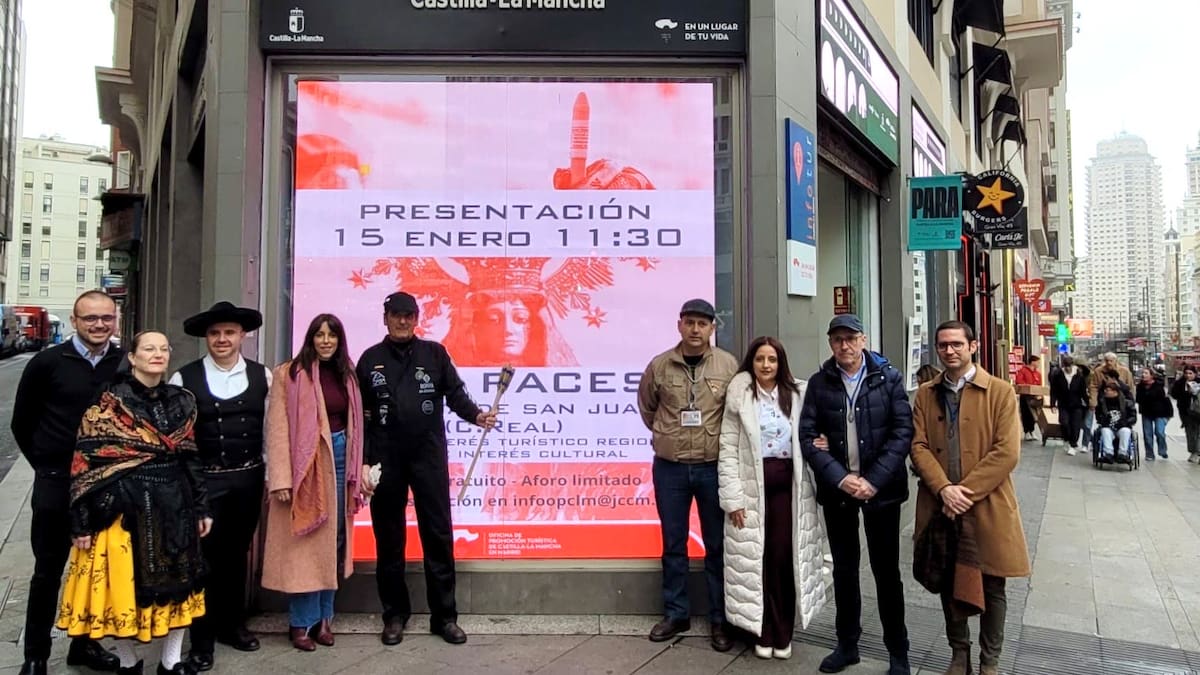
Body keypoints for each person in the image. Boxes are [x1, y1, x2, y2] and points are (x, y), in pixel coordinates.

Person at [57, 331, 209, 675]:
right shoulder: (109, 403)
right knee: (118, 590)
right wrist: (81, 521)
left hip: (175, 506)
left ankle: (171, 662)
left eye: (163, 349)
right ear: (133, 357)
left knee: (182, 586)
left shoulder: (182, 401)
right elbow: (84, 463)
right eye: (149, 348)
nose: (157, 354)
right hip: (121, 509)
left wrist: (201, 506)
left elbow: (190, 457)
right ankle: (128, 661)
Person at [356, 291, 497, 646]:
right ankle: (394, 615)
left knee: (437, 534)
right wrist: (363, 460)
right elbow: (360, 416)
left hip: (427, 456)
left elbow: (456, 394)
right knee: (389, 539)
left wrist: (477, 416)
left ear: (417, 319)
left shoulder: (434, 353)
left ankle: (444, 617)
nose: (402, 321)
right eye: (396, 315)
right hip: (385, 459)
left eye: (409, 315)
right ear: (385, 318)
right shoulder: (370, 359)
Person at [11, 290, 125, 675]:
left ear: (115, 320)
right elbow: (22, 423)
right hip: (56, 483)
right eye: (90, 318)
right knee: (48, 570)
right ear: (75, 321)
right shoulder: (46, 363)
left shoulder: (122, 363)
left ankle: (84, 644)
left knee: (95, 569)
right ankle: (36, 655)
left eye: (106, 318)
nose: (99, 325)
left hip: (104, 485)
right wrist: (46, 466)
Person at [910, 321, 1030, 675]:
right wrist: (944, 489)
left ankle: (989, 661)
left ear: (973, 347)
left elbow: (1007, 452)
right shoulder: (926, 393)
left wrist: (964, 492)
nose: (949, 351)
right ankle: (958, 653)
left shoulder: (1000, 391)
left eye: (957, 344)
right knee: (947, 579)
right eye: (943, 345)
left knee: (992, 583)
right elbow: (918, 446)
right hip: (941, 505)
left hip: (987, 504)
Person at [798, 314, 914, 675]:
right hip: (839, 492)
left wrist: (872, 481)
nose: (844, 346)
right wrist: (841, 478)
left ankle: (898, 652)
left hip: (882, 491)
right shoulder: (820, 383)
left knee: (886, 572)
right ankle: (847, 645)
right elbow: (808, 437)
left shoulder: (888, 378)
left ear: (863, 340)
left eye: (850, 338)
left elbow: (902, 432)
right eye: (837, 340)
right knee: (845, 571)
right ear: (830, 343)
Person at [169, 302, 272, 671]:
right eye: (215, 333)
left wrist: (270, 477)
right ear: (206, 338)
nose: (222, 339)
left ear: (242, 335)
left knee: (237, 555)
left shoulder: (263, 376)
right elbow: (177, 441)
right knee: (204, 560)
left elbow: (270, 432)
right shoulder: (183, 379)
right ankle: (202, 639)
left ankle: (233, 625)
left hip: (248, 479)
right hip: (204, 483)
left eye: (229, 332)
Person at [637, 298, 738, 651]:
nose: (696, 329)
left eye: (702, 323)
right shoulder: (660, 365)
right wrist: (669, 435)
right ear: (679, 324)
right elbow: (648, 408)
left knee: (717, 545)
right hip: (671, 469)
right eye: (690, 322)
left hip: (712, 467)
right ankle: (676, 613)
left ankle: (720, 619)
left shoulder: (728, 366)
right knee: (673, 543)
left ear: (713, 328)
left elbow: (735, 412)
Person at [718, 336, 826, 660]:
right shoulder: (740, 396)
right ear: (751, 362)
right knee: (757, 560)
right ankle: (762, 631)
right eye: (760, 359)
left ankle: (783, 631)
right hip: (751, 489)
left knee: (783, 558)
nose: (766, 365)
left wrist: (822, 441)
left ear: (781, 363)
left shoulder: (798, 394)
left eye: (772, 359)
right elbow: (727, 449)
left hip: (790, 490)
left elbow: (814, 434)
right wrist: (733, 499)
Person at [262, 314, 365, 651]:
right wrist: (280, 478)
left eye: (331, 335)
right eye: (319, 335)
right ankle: (301, 622)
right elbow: (277, 429)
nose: (325, 341)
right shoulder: (290, 374)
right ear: (310, 338)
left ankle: (324, 619)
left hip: (341, 455)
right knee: (307, 544)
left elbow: (356, 423)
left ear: (339, 340)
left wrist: (360, 467)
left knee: (334, 541)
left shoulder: (348, 374)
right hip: (305, 465)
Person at [1049, 355, 1089, 455]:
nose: (1067, 368)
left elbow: (1083, 392)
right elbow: (1054, 391)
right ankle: (1066, 438)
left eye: (1069, 366)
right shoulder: (1058, 375)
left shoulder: (1079, 375)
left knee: (1075, 425)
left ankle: (1073, 445)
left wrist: (1088, 403)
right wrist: (1053, 404)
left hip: (1076, 404)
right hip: (1063, 404)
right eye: (1065, 366)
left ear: (1072, 365)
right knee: (1064, 422)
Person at [1134, 368, 1173, 461]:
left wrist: (1169, 414)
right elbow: (1138, 399)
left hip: (1160, 412)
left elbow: (1165, 400)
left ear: (1151, 375)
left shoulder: (1159, 386)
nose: (1143, 375)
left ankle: (1162, 450)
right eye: (1143, 373)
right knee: (1147, 434)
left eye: (1146, 373)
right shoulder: (1140, 386)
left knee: (1159, 432)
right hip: (1146, 412)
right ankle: (1150, 453)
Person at [1095, 380, 1138, 461]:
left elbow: (1133, 417)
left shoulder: (1127, 403)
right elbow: (1098, 416)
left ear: (1115, 392)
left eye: (1108, 390)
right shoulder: (1102, 403)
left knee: (1126, 431)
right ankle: (1108, 454)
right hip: (1108, 427)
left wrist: (1125, 422)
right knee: (1105, 431)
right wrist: (1103, 420)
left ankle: (1122, 454)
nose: (1105, 392)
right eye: (1105, 390)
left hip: (1122, 426)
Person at [1170, 365, 1200, 463]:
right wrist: (1185, 392)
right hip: (1186, 412)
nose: (1188, 375)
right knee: (1190, 433)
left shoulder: (1198, 382)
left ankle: (1198, 452)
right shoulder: (1180, 383)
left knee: (1198, 432)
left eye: (1190, 373)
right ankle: (1193, 451)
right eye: (1186, 373)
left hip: (1198, 411)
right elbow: (1174, 394)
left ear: (1195, 374)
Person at [1014, 354, 1042, 441]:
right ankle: (1027, 432)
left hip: (1034, 397)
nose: (1038, 364)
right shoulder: (1023, 371)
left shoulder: (1038, 373)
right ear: (1032, 362)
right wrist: (1028, 386)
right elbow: (1019, 381)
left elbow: (1039, 384)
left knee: (1034, 414)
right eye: (1037, 362)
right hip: (1025, 396)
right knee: (1026, 413)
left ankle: (1032, 430)